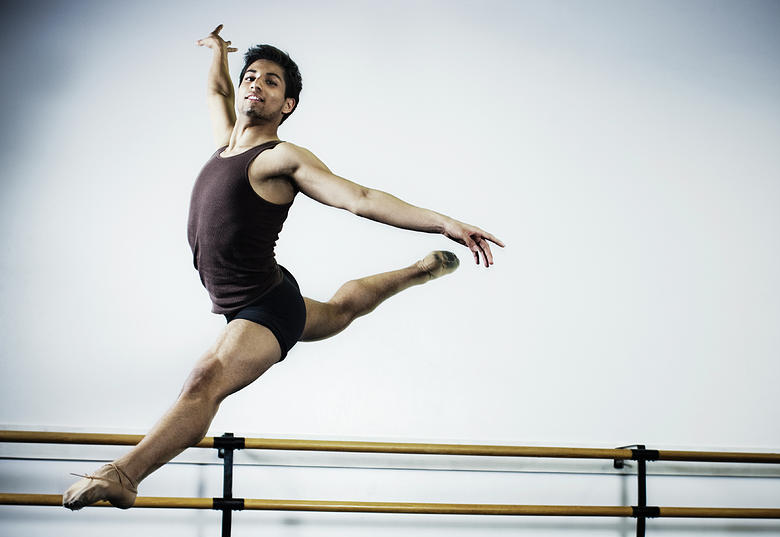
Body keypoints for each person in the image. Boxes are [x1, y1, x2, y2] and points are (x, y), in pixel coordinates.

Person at [62, 25, 503, 510]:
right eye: (252, 76)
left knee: (204, 381)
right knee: (337, 311)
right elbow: (217, 90)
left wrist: (443, 223)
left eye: (272, 82)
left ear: (287, 105)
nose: (256, 84)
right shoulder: (225, 143)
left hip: (264, 306)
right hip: (264, 295)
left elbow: (359, 198)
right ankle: (418, 272)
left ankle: (125, 474)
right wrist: (217, 54)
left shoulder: (280, 158)